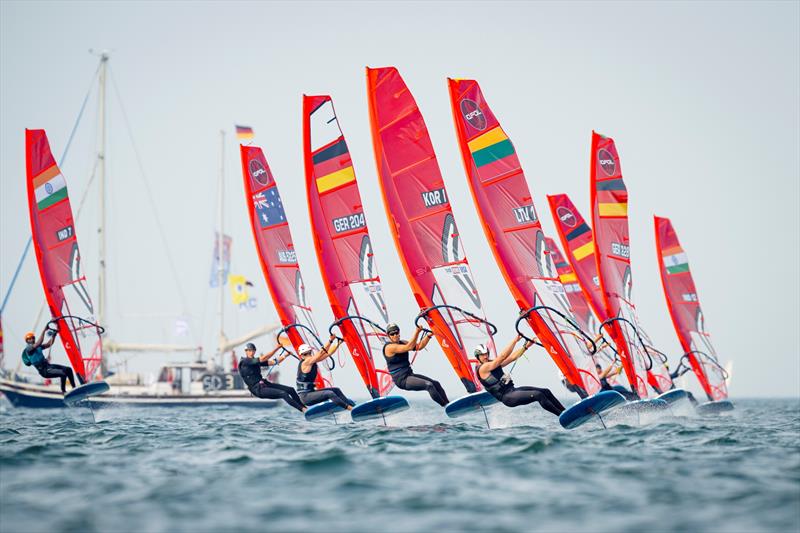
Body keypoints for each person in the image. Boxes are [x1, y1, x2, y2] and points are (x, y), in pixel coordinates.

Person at [474, 335, 565, 416]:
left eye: (486, 354)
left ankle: (565, 412)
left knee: (546, 391)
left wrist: (525, 347)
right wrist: (514, 341)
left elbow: (512, 358)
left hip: (513, 390)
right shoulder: (483, 369)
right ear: (478, 357)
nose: (485, 356)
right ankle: (561, 415)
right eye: (482, 355)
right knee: (539, 395)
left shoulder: (492, 364)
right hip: (508, 397)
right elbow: (502, 356)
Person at [383, 323, 449, 407]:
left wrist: (429, 335)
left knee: (436, 384)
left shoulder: (403, 342)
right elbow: (409, 347)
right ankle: (445, 406)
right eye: (392, 334)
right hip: (402, 380)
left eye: (396, 333)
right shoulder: (389, 347)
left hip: (409, 375)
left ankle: (449, 404)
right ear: (388, 336)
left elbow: (419, 346)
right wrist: (417, 332)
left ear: (399, 332)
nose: (395, 335)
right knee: (429, 385)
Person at [238, 342, 306, 412]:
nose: (251, 352)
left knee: (290, 390)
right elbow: (263, 358)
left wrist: (285, 355)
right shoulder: (245, 361)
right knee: (283, 394)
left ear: (255, 351)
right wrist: (276, 348)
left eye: (253, 350)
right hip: (257, 390)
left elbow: (274, 362)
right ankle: (303, 410)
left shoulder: (254, 361)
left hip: (265, 385)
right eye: (249, 350)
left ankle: (305, 407)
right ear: (246, 352)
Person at [296, 336, 354, 410]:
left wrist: (337, 344)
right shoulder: (306, 362)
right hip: (305, 397)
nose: (308, 356)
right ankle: (350, 408)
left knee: (336, 390)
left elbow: (328, 353)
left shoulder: (312, 361)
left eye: (309, 353)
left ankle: (354, 406)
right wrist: (330, 340)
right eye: (305, 354)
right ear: (301, 356)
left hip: (311, 393)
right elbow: (321, 352)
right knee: (329, 393)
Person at [21, 328, 77, 394]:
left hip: (48, 366)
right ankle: (63, 392)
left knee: (68, 369)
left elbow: (48, 344)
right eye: (29, 339)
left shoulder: (38, 347)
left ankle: (74, 388)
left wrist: (54, 335)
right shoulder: (28, 349)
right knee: (63, 374)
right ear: (27, 341)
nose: (32, 339)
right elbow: (39, 342)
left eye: (32, 338)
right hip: (44, 371)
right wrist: (44, 330)